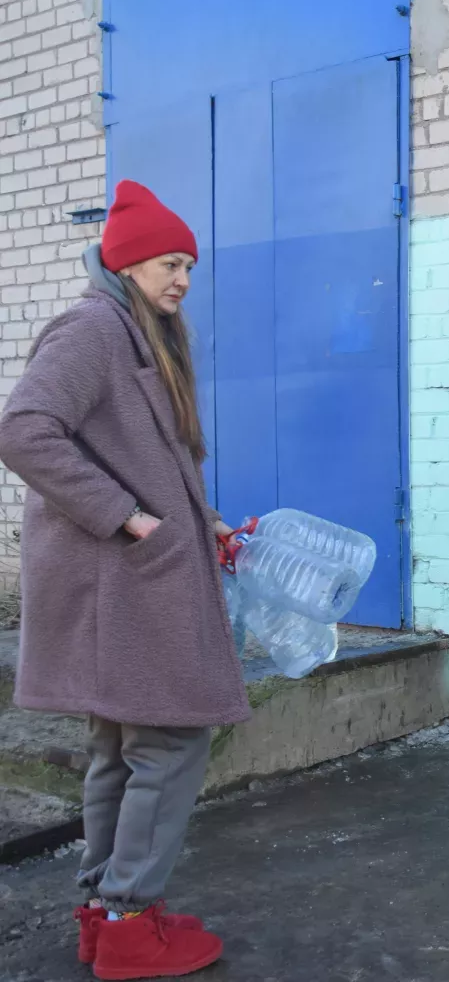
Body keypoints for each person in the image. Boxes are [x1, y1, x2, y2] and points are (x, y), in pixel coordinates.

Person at [0, 181, 248, 977]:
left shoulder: (138, 333)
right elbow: (24, 432)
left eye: (188, 266)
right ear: (128, 262)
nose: (181, 278)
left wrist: (196, 516)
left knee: (121, 746)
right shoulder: (93, 328)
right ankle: (130, 922)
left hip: (132, 574)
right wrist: (128, 516)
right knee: (171, 739)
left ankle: (109, 914)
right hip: (120, 577)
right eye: (170, 263)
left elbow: (142, 452)